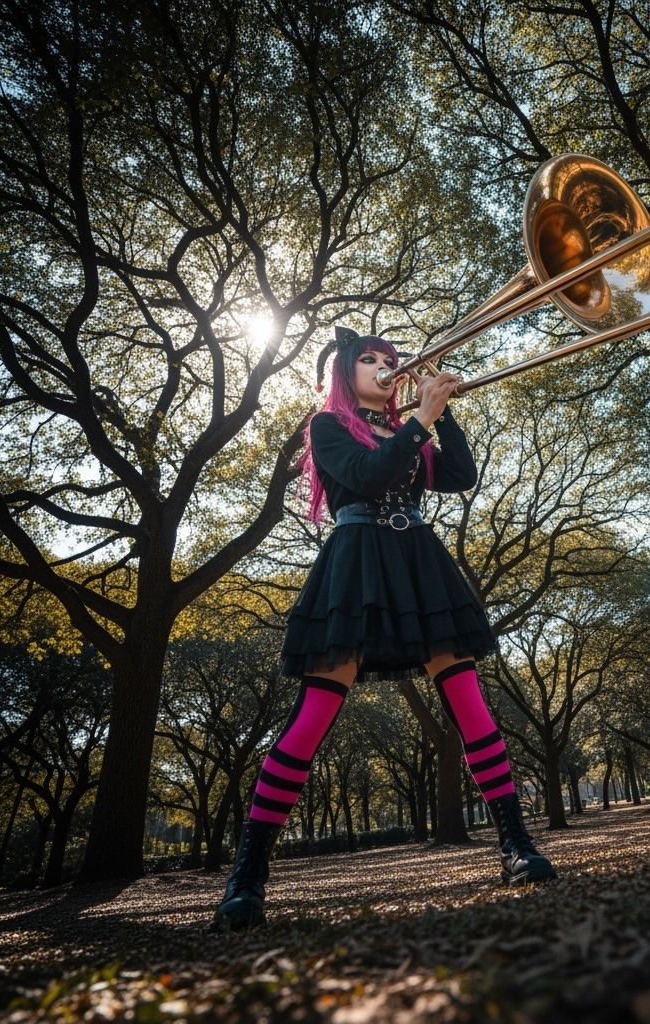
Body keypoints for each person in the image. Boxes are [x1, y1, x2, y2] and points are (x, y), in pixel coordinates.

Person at [212, 326, 556, 932]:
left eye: (388, 360)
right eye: (368, 359)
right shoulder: (324, 428)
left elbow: (459, 476)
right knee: (312, 718)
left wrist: (442, 414)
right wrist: (421, 420)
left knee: (472, 705)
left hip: (419, 562)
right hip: (358, 563)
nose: (382, 366)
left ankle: (516, 846)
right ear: (345, 373)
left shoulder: (406, 430)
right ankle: (248, 877)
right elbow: (368, 478)